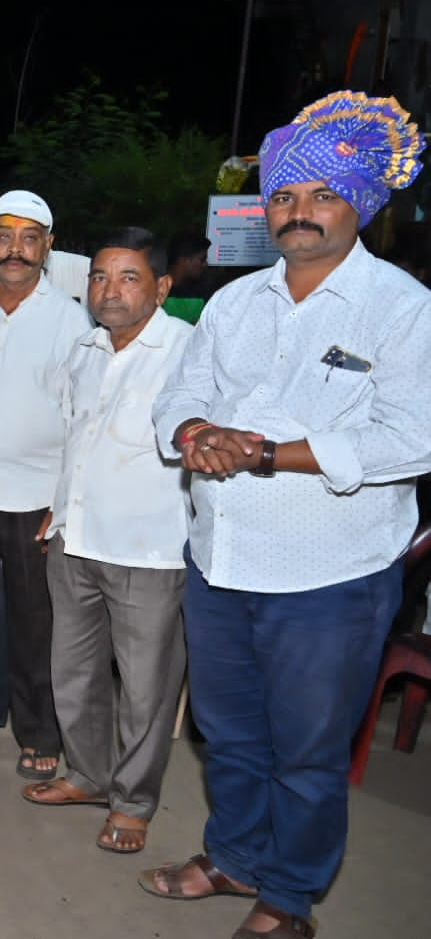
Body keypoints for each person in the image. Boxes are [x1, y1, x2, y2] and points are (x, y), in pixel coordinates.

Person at [142, 92, 430, 939]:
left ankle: (290, 897)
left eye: (321, 197)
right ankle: (232, 858)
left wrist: (266, 451)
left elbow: (411, 437)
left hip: (328, 574)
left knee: (306, 751)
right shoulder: (235, 302)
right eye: (283, 197)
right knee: (226, 734)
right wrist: (197, 432)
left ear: (359, 205)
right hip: (221, 557)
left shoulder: (402, 308)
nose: (298, 214)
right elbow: (179, 397)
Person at [21, 227, 192, 856]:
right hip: (76, 536)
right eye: (99, 276)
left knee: (145, 687)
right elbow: (76, 436)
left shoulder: (187, 351)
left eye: (128, 277)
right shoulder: (86, 349)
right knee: (74, 671)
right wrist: (58, 506)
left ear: (162, 287)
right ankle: (88, 776)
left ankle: (134, 802)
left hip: (149, 546)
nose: (109, 290)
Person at [0, 189, 90, 782]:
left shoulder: (70, 318)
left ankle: (39, 729)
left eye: (29, 238)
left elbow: (82, 417)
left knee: (38, 623)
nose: (15, 249)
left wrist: (61, 506)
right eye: (3, 236)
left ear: (48, 247)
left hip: (36, 495)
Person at [162, 232, 211, 324]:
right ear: (184, 259)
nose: (205, 264)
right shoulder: (156, 288)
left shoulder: (204, 288)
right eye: (202, 259)